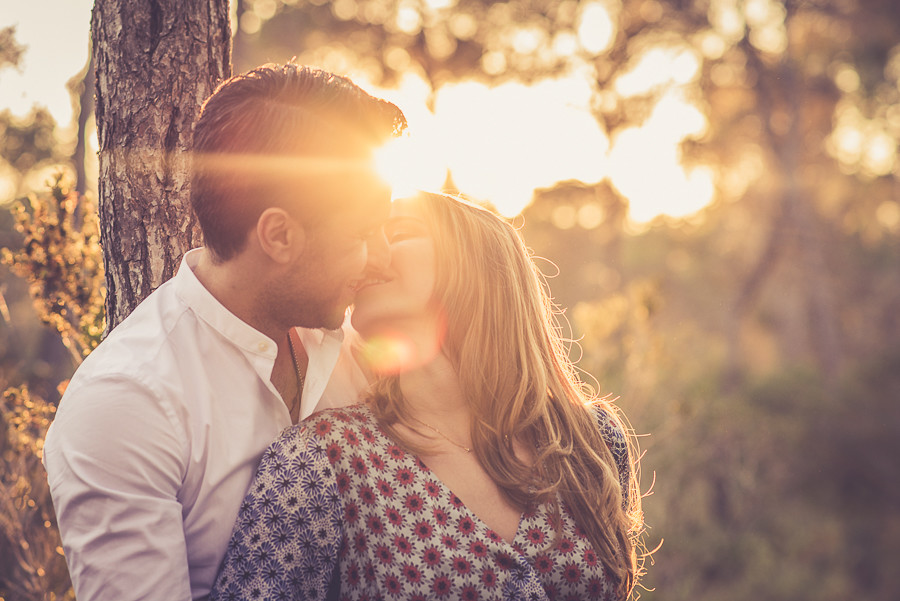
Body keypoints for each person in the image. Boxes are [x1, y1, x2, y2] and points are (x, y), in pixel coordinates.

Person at [42, 63, 407, 600]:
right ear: (279, 235)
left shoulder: (358, 341)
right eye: (361, 234)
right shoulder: (127, 404)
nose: (383, 258)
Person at [210, 192, 645, 601]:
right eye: (364, 237)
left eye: (397, 233)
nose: (371, 254)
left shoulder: (592, 440)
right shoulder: (323, 459)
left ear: (475, 264)